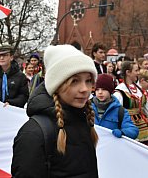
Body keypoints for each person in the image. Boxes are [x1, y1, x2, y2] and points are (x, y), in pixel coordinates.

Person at [11, 44, 99, 177]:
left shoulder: (83, 119)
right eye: (74, 81)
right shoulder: (35, 133)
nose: (85, 89)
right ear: (57, 84)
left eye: (88, 81)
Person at [113, 61, 148, 146]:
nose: (138, 73)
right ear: (128, 72)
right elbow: (115, 112)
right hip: (129, 125)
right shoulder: (120, 91)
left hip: (144, 126)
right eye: (136, 71)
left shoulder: (139, 89)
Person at [92, 74, 139, 139]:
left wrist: (123, 132)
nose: (100, 92)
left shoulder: (120, 111)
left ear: (110, 91)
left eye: (104, 89)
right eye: (97, 89)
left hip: (109, 147)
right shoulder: (86, 107)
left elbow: (133, 131)